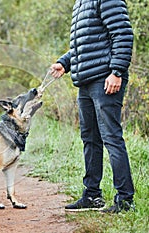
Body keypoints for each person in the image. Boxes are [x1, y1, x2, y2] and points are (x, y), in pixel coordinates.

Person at [50, 0, 135, 213]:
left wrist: (116, 71)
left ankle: (125, 201)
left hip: (105, 79)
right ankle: (91, 195)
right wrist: (65, 62)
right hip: (86, 82)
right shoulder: (81, 3)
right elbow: (84, 46)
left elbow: (123, 34)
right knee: (90, 139)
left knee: (111, 138)